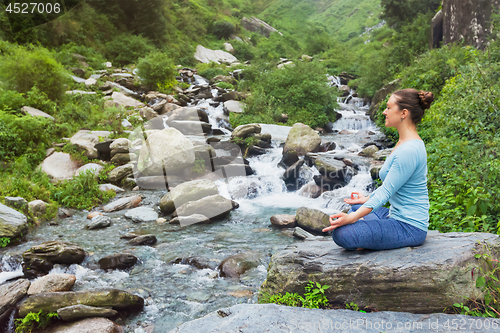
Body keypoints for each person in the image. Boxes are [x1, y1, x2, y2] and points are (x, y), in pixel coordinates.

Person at [322, 88, 434, 251]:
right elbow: (392, 186)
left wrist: (353, 219)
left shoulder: (409, 150)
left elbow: (385, 192)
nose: (384, 111)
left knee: (342, 234)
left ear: (403, 113)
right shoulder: (403, 142)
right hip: (395, 216)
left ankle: (369, 238)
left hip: (409, 227)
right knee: (355, 208)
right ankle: (370, 237)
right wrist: (366, 199)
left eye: (389, 107)